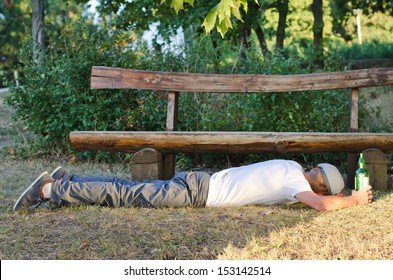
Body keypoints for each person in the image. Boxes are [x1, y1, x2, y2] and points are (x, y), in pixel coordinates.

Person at [13, 160, 373, 212]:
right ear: (320, 185)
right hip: (198, 192)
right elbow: (322, 206)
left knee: (127, 188)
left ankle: (65, 184)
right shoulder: (296, 183)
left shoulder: (291, 168)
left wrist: (342, 195)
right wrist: (354, 200)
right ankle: (52, 190)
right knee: (125, 194)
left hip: (201, 181)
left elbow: (322, 198)